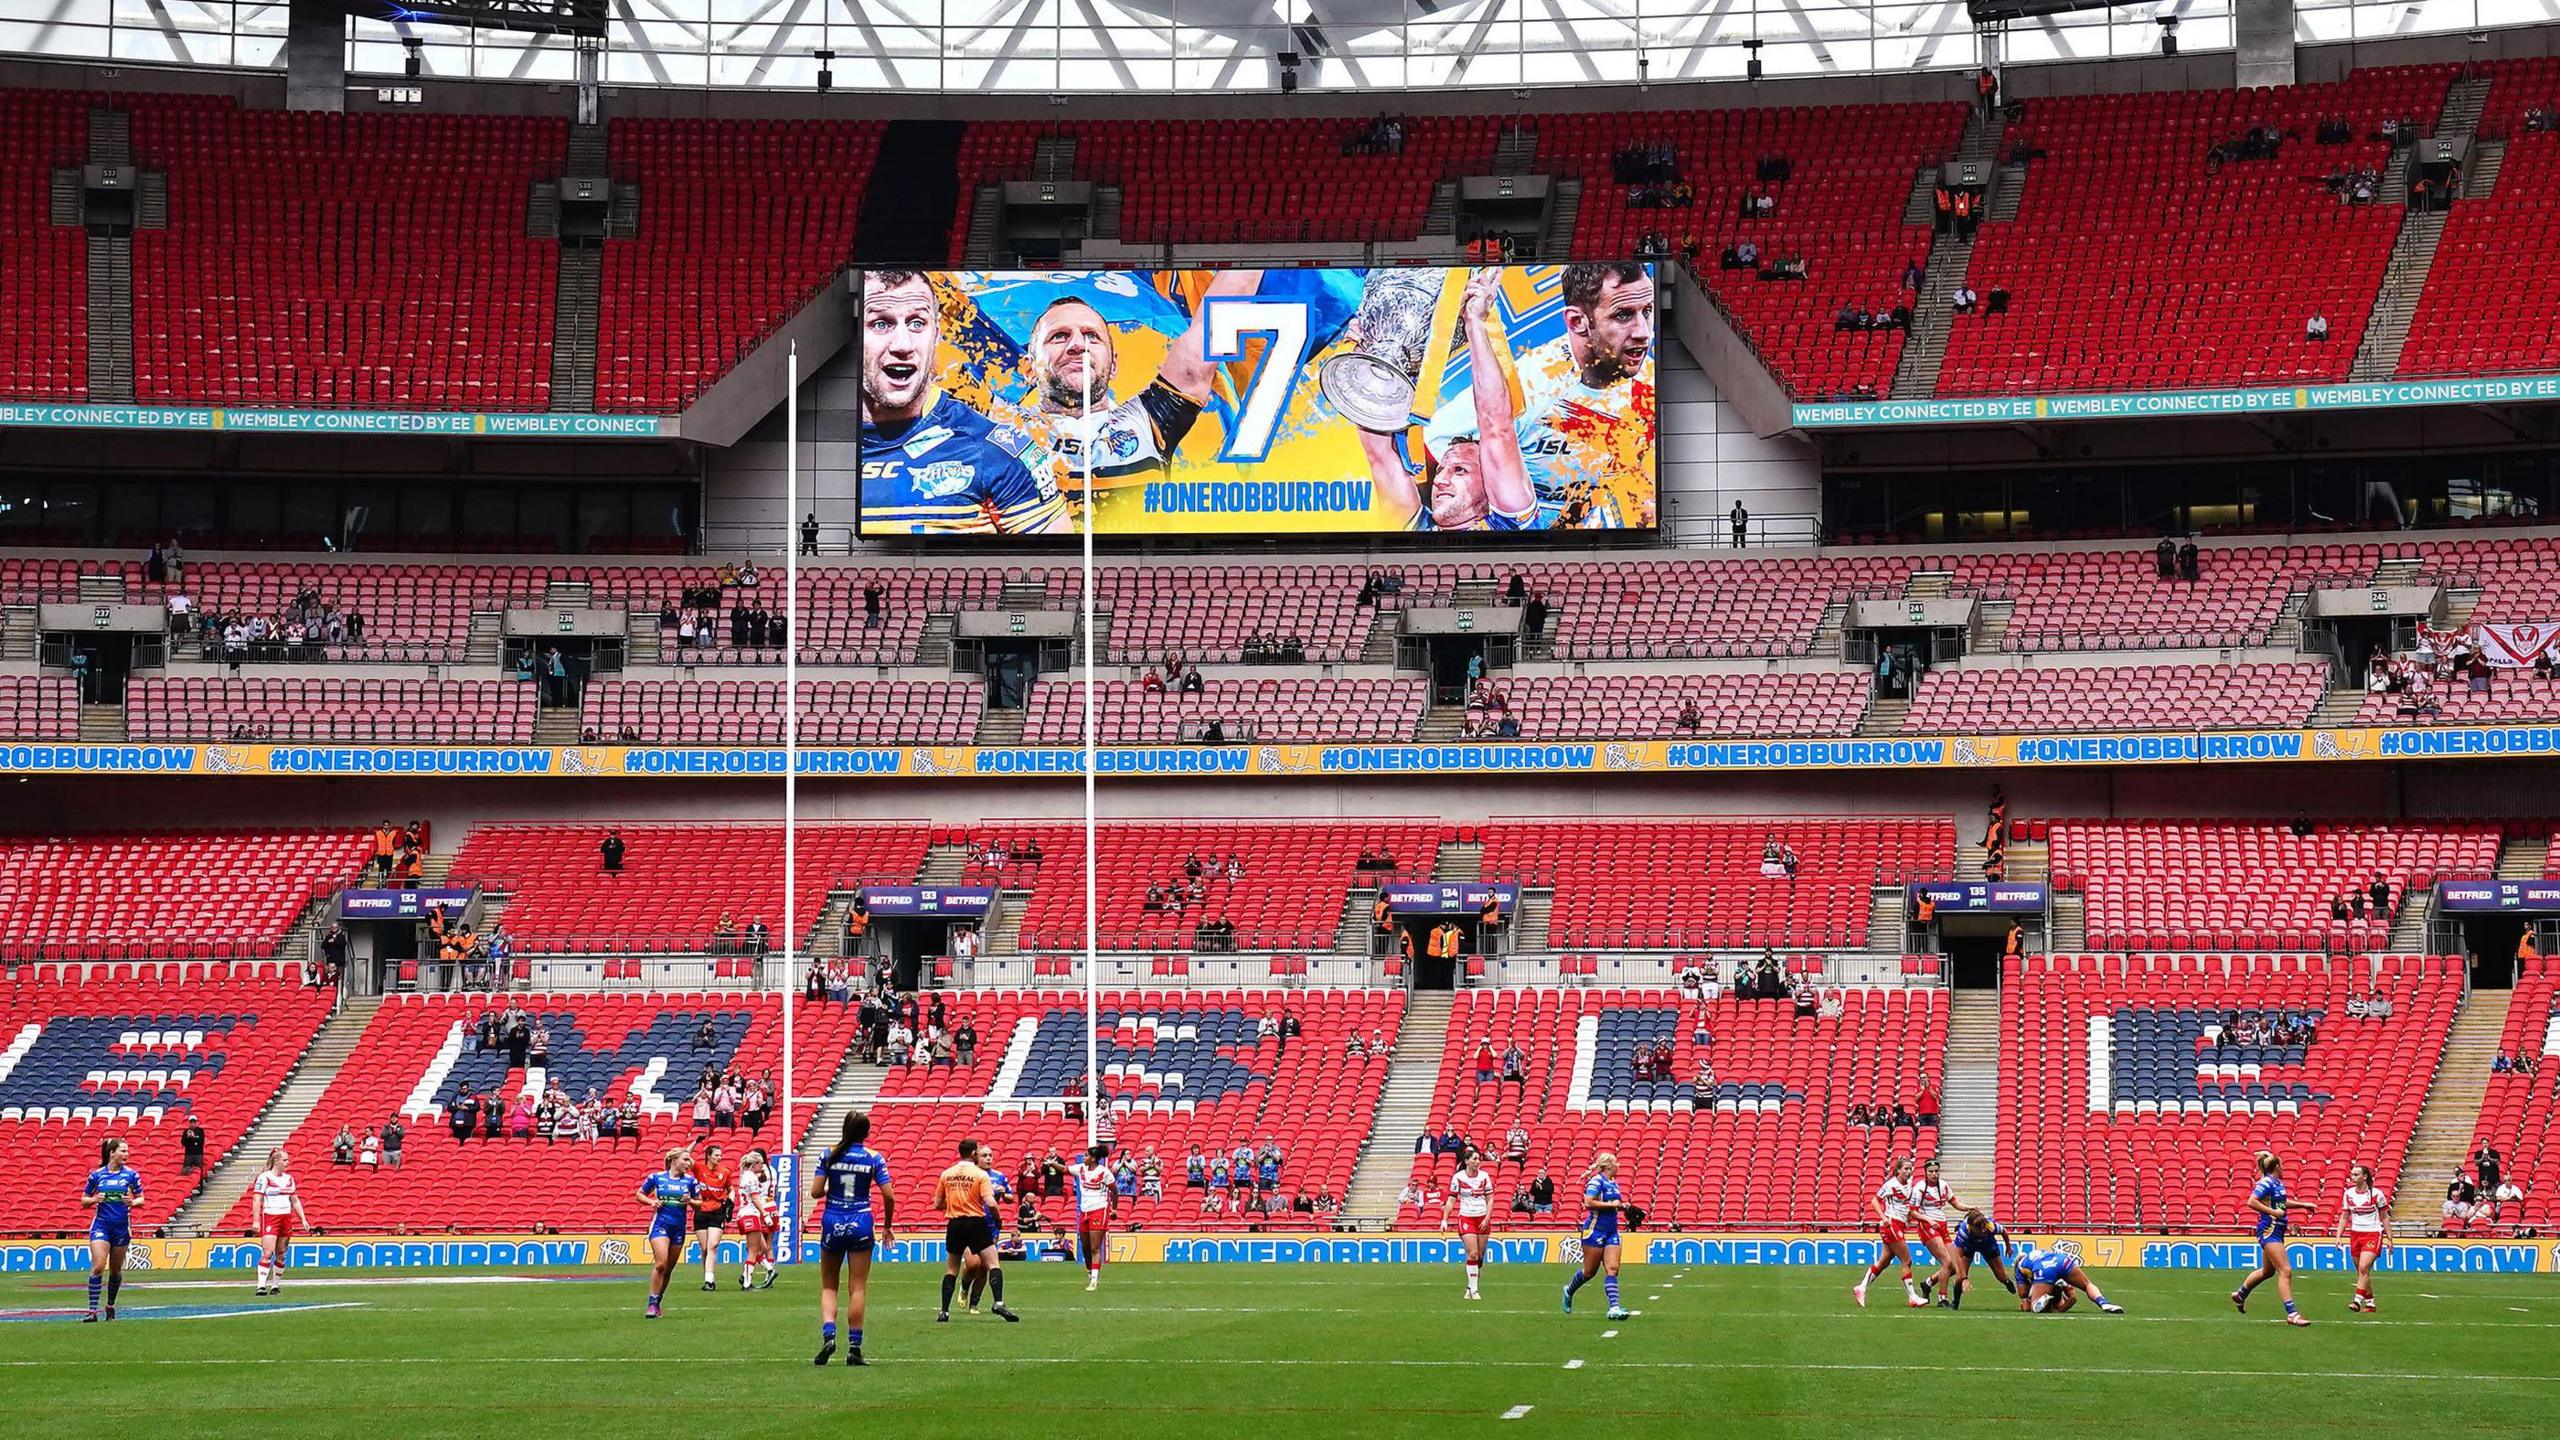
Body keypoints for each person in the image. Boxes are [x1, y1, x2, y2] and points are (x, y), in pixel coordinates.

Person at [1012, 269, 1264, 521]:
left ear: (1113, 366)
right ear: (1027, 368)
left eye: (1092, 336)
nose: (1078, 345)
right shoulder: (998, 425)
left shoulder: (1147, 423)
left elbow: (1211, 329)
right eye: (1059, 336)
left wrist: (1262, 239)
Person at [857, 270, 1069, 535]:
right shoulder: (808, 437)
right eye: (881, 324)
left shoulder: (995, 450)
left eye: (917, 323)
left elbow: (1056, 564)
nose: (903, 345)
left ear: (936, 334)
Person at [1360, 268, 1540, 532]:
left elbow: (1497, 428)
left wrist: (1475, 321)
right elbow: (1380, 455)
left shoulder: (1510, 527)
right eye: (1445, 469)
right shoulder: (1416, 528)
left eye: (1460, 471)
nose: (1441, 480)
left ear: (1492, 484)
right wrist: (1372, 352)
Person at [810, 1110, 894, 1366]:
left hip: (833, 1219)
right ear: (866, 1133)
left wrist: (829, 1188)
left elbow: (815, 1192)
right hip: (861, 1220)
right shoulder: (873, 1158)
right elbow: (889, 1196)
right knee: (857, 1287)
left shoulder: (828, 1153)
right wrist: (887, 1226)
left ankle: (829, 1336)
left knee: (828, 1286)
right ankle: (854, 1348)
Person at [934, 1138, 1019, 1323]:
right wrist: (998, 1218)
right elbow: (991, 1202)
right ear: (974, 1154)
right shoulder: (981, 1175)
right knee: (993, 1264)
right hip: (976, 1222)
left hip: (955, 1223)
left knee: (951, 1268)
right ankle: (998, 1302)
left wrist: (957, 1203)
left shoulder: (946, 1174)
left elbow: (937, 1204)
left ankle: (944, 1311)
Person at [2232, 1150, 2314, 1325]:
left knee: (2267, 1272)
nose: (2283, 1168)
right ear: (2277, 1167)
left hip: (2277, 1230)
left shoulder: (2277, 1183)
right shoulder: (2266, 1182)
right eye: (2281, 1165)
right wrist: (2273, 1213)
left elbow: (2281, 1203)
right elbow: (2252, 1201)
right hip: (2269, 1230)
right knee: (2285, 1271)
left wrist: (2303, 1205)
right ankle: (2292, 1314)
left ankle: (2241, 1294)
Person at [1562, 1152, 1634, 1319]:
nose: (1619, 1166)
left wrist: (1622, 1207)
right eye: (1616, 1163)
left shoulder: (1613, 1184)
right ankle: (1569, 1290)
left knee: (1612, 1268)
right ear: (1609, 1165)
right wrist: (1610, 1205)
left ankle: (1614, 1307)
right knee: (1589, 1272)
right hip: (1595, 1231)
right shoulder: (1596, 1181)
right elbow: (1588, 1202)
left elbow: (1613, 1205)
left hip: (1611, 1231)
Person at [81, 1137, 144, 1322]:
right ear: (112, 1153)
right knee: (98, 1266)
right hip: (102, 1225)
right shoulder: (97, 1175)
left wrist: (132, 1202)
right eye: (123, 1151)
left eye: (127, 1151)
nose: (126, 1154)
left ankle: (110, 1305)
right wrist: (94, 1200)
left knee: (115, 1270)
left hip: (121, 1227)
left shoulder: (131, 1175)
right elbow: (84, 1200)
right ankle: (92, 1311)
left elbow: (142, 1199)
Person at [1853, 1155, 1926, 1309]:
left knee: (1884, 1261)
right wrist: (1883, 1217)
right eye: (1906, 1169)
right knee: (1907, 1260)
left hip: (1899, 1224)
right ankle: (1913, 1297)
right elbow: (1874, 1201)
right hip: (1892, 1224)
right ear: (1898, 1170)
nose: (1909, 1171)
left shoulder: (1909, 1183)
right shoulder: (1891, 1184)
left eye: (1910, 1169)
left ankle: (1861, 1287)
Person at [636, 1148, 699, 1320]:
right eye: (685, 1160)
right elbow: (639, 1194)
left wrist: (691, 1201)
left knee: (669, 1268)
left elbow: (699, 1204)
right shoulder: (656, 1178)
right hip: (660, 1225)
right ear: (673, 1161)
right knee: (661, 1263)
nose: (689, 1163)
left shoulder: (691, 1182)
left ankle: (657, 1301)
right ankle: (651, 1303)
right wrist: (651, 1201)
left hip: (679, 1227)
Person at [249, 1147, 310, 1297]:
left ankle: (275, 1286)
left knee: (281, 1253)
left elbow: (294, 1200)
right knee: (268, 1252)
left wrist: (303, 1218)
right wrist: (256, 1220)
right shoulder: (265, 1177)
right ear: (276, 1161)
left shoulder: (289, 1179)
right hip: (271, 1216)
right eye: (284, 1160)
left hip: (285, 1217)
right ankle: (261, 1285)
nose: (287, 1163)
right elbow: (257, 1198)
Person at [1441, 1148, 1499, 1300]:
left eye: (1479, 1159)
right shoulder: (1458, 1177)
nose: (1477, 1161)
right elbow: (1452, 1199)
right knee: (1472, 1252)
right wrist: (1445, 1219)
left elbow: (1490, 1198)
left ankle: (1469, 1286)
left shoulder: (1484, 1176)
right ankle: (1474, 1290)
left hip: (1482, 1218)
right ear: (1467, 1161)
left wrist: (1487, 1218)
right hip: (1466, 1217)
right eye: (1474, 1159)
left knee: (1479, 1256)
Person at [2335, 1162, 2392, 1313]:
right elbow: (2344, 1216)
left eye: (2356, 1174)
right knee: (2362, 1272)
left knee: (2363, 1267)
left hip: (2373, 1233)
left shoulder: (2376, 1194)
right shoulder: (2348, 1194)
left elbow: (2384, 1217)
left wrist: (2390, 1238)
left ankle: (2357, 1301)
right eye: (2352, 1174)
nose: (2353, 1177)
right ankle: (2371, 1303)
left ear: (2365, 1176)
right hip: (2355, 1233)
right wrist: (2338, 1236)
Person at [2014, 1242, 2124, 1314]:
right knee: (2087, 1284)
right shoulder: (2039, 1252)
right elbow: (2072, 1299)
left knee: (2034, 1307)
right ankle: (2103, 1302)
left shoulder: (2020, 1266)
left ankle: (2046, 1297)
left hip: (2044, 1269)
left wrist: (2031, 1297)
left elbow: (2022, 1293)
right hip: (2061, 1260)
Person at [1909, 1158, 1963, 1303]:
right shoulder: (1919, 1188)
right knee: (1946, 1262)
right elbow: (1912, 1212)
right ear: (1925, 1173)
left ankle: (1928, 1283)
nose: (1934, 1174)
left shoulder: (1944, 1185)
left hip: (1942, 1225)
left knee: (1954, 1266)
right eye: (1931, 1172)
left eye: (1936, 1171)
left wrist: (1968, 1208)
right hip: (1927, 1227)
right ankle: (1942, 1298)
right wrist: (1928, 1220)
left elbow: (1955, 1202)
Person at [728, 1148, 780, 1291]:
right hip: (751, 1213)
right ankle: (748, 1282)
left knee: (761, 1248)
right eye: (760, 1164)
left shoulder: (745, 1175)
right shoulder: (752, 1177)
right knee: (753, 1250)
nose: (762, 1166)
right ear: (755, 1163)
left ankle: (769, 1270)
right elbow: (756, 1198)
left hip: (748, 1213)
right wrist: (765, 1214)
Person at [1072, 1143, 1118, 1292]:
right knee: (1085, 1246)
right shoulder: (1081, 1169)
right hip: (1084, 1210)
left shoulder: (1104, 1173)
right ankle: (1090, 1271)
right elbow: (1065, 1169)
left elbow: (1114, 1191)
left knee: (1094, 1247)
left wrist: (1114, 1209)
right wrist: (1052, 1163)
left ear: (1093, 1158)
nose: (1084, 1157)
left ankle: (1094, 1280)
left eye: (1086, 1155)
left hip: (1099, 1208)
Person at [1949, 1208, 2016, 1309]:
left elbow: (2004, 1232)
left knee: (2000, 1275)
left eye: (1983, 1227)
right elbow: (1958, 1257)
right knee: (1959, 1275)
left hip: (1988, 1244)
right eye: (1979, 1229)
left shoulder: (1990, 1226)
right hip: (1969, 1246)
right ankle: (1955, 1302)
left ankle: (2006, 1281)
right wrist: (1964, 1278)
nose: (1983, 1230)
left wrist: (2008, 1247)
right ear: (1971, 1227)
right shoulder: (1963, 1231)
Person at [691, 1141, 735, 1291]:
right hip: (701, 1209)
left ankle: (710, 1279)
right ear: (708, 1156)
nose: (719, 1158)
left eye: (720, 1155)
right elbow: (683, 1156)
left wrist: (731, 1201)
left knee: (713, 1245)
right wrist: (695, 1142)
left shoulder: (725, 1172)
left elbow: (730, 1189)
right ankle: (707, 1277)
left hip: (717, 1210)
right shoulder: (699, 1168)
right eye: (716, 1155)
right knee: (704, 1248)